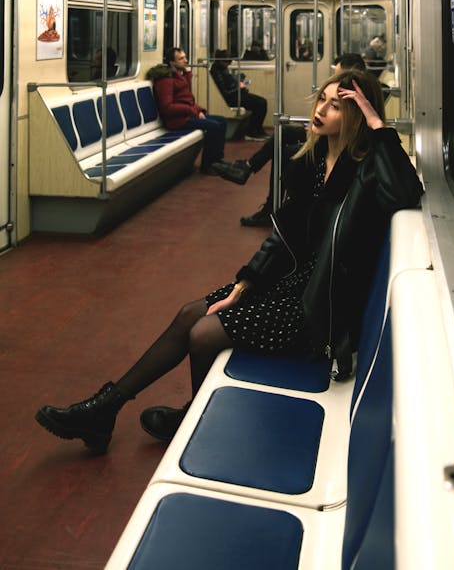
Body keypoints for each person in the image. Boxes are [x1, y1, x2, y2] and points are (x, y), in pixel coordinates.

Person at [35, 68, 423, 454]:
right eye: (321, 99)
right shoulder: (312, 161)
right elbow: (284, 236)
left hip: (321, 308)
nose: (321, 110)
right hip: (294, 285)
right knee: (191, 313)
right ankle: (106, 408)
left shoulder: (366, 168)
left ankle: (193, 419)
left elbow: (405, 193)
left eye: (336, 106)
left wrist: (377, 125)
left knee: (203, 335)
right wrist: (246, 283)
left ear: (356, 117)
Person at [216, 53, 369, 227]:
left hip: (334, 139)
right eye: (322, 99)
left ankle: (254, 180)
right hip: (329, 135)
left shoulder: (362, 100)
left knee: (286, 151)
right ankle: (252, 175)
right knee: (285, 132)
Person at [146, 47, 232, 175]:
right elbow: (167, 107)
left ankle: (217, 160)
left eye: (185, 57)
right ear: (172, 62)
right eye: (181, 59)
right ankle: (207, 165)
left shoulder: (180, 76)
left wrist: (199, 110)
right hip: (177, 120)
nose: (185, 61)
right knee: (213, 126)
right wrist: (193, 112)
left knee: (222, 121)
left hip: (186, 115)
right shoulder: (166, 80)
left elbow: (188, 100)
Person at [210, 49, 268, 140]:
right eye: (227, 61)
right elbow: (225, 92)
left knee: (262, 101)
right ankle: (252, 131)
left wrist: (239, 83)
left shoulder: (222, 69)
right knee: (259, 104)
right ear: (219, 60)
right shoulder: (216, 72)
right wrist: (239, 87)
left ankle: (258, 129)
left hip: (236, 94)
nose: (228, 64)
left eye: (230, 61)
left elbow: (229, 84)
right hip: (231, 98)